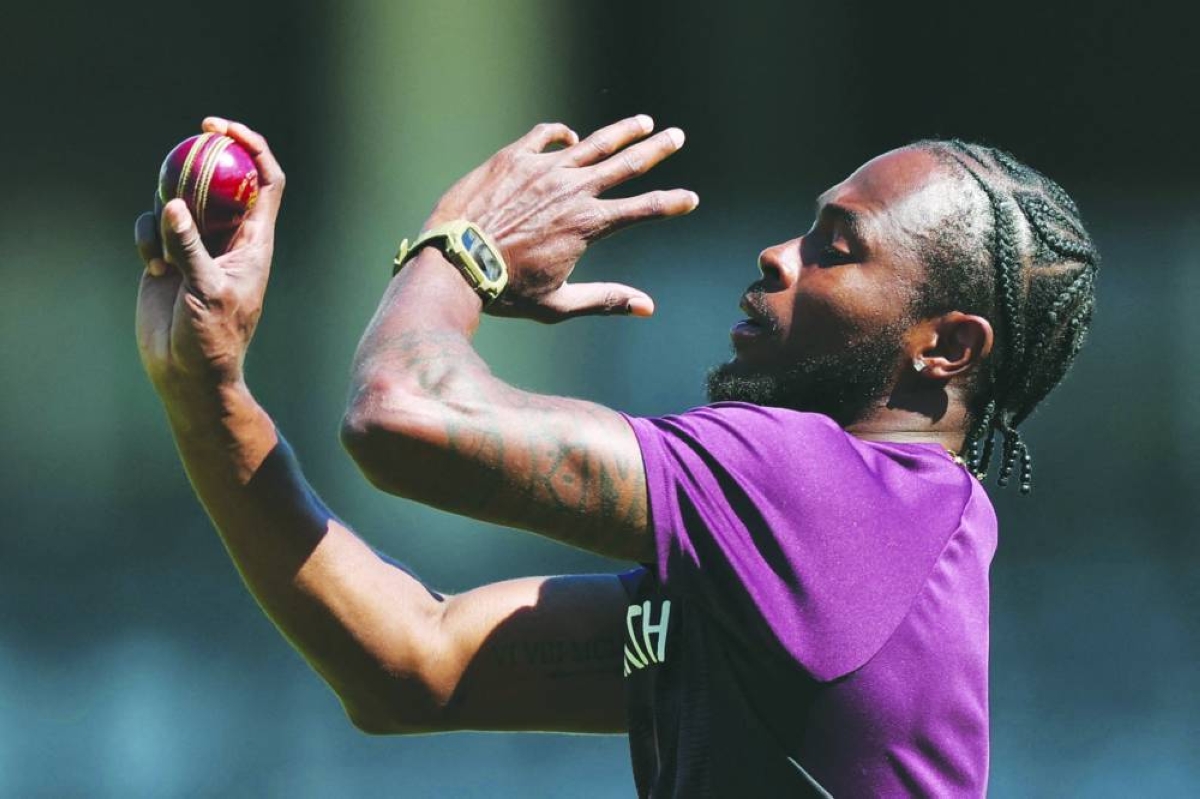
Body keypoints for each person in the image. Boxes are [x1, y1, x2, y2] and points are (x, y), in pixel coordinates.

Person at [135, 114, 1098, 798]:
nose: (778, 255)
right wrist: (205, 394)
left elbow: (402, 415)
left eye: (835, 247)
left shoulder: (831, 491)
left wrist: (462, 249)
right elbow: (415, 662)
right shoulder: (823, 555)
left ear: (948, 347)